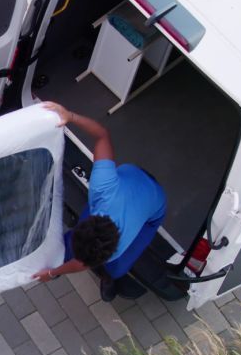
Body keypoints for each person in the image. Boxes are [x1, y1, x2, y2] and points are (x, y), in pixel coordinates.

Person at [33, 101, 168, 301]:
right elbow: (102, 135)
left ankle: (110, 277)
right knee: (76, 247)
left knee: (117, 268)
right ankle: (77, 259)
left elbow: (81, 264)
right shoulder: (103, 187)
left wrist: (53, 273)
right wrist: (69, 115)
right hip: (134, 180)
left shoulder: (114, 252)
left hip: (154, 210)